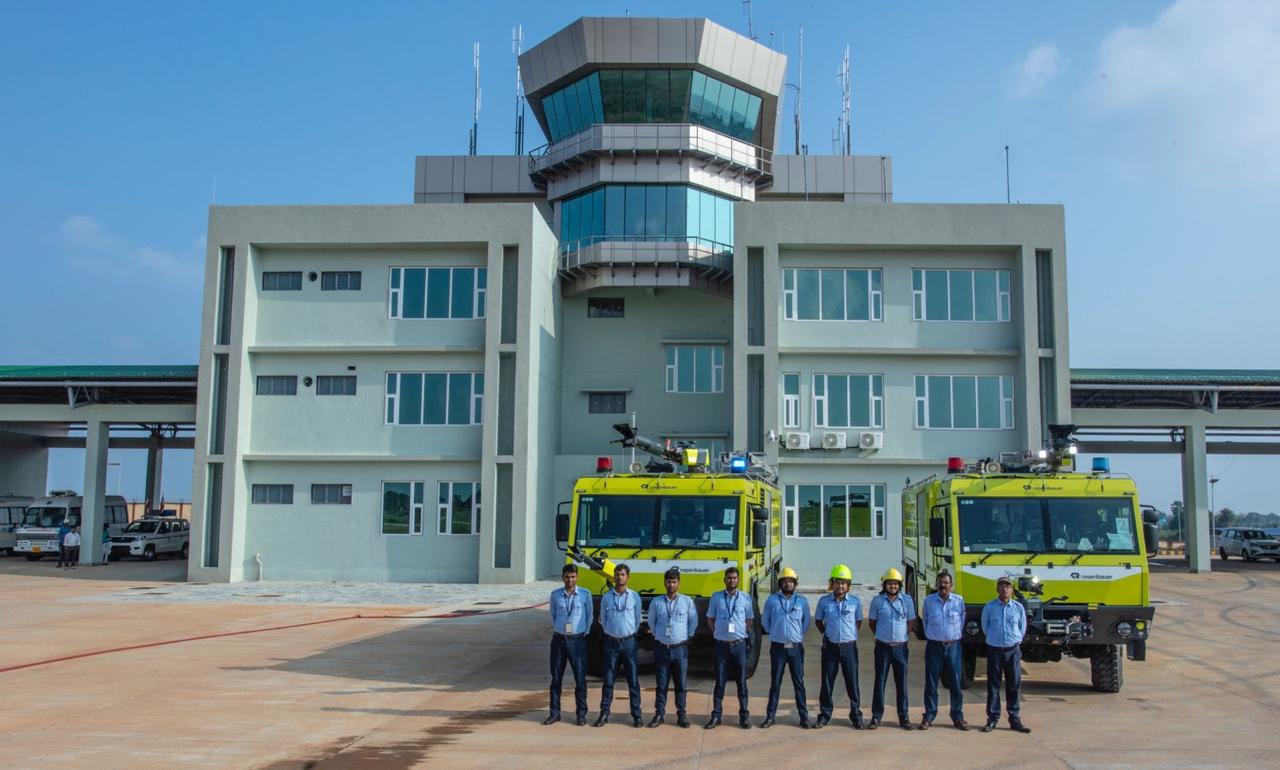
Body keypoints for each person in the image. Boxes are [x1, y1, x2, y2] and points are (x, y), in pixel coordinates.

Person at [813, 563, 864, 729]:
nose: (840, 586)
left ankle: (856, 715)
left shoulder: (855, 602)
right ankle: (824, 715)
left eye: (843, 583)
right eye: (837, 582)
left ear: (848, 585)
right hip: (830, 648)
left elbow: (858, 622)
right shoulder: (824, 602)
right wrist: (829, 634)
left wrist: (848, 635)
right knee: (827, 682)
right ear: (832, 584)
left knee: (852, 682)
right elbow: (818, 622)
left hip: (849, 648)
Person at [760, 566, 811, 728]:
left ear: (795, 584)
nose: (788, 584)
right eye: (785, 581)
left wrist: (796, 635)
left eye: (791, 581)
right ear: (780, 583)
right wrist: (776, 633)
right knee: (775, 683)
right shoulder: (772, 600)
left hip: (796, 648)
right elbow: (765, 621)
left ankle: (804, 717)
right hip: (778, 648)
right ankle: (770, 716)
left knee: (799, 683)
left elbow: (806, 622)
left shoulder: (802, 601)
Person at [646, 567, 697, 728]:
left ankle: (681, 715)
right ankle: (659, 714)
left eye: (674, 582)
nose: (671, 585)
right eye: (668, 582)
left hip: (680, 649)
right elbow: (651, 622)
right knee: (661, 685)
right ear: (664, 583)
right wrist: (659, 636)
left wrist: (687, 636)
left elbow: (693, 621)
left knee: (680, 684)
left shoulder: (687, 601)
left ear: (679, 583)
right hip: (662, 649)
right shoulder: (657, 602)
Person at [867, 567, 916, 730]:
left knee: (901, 683)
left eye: (895, 584)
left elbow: (911, 621)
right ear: (884, 585)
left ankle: (904, 717)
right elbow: (872, 623)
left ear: (899, 585)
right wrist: (883, 636)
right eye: (889, 583)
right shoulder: (877, 601)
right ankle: (876, 716)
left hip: (901, 648)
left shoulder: (907, 600)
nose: (892, 586)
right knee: (879, 682)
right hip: (882, 648)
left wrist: (902, 636)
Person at [981, 575, 1031, 734]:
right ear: (997, 589)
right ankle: (992, 718)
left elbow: (1022, 628)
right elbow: (985, 627)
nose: (1005, 589)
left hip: (1012, 651)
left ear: (1012, 590)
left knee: (1014, 684)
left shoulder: (1018, 608)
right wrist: (995, 640)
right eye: (1001, 586)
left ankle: (1014, 718)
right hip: (994, 650)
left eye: (1008, 586)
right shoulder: (989, 607)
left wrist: (1014, 641)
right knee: (993, 685)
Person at [705, 566, 753, 729]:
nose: (732, 580)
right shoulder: (716, 598)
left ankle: (744, 716)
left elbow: (749, 620)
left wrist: (739, 634)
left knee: (741, 682)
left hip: (739, 645)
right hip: (721, 646)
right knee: (720, 682)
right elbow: (710, 618)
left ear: (738, 580)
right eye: (729, 578)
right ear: (724, 579)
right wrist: (718, 633)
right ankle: (716, 716)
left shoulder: (746, 598)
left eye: (734, 578)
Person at [545, 563, 593, 726]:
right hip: (559, 641)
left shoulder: (585, 595)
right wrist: (561, 630)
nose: (570, 580)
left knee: (580, 679)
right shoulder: (555, 595)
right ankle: (554, 713)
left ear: (577, 577)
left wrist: (582, 632)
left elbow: (589, 617)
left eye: (573, 577)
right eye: (567, 577)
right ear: (562, 577)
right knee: (556, 679)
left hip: (577, 641)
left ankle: (581, 714)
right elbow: (553, 615)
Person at [596, 563, 643, 727]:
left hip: (629, 643)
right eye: (617, 574)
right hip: (611, 644)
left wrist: (627, 633)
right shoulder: (606, 597)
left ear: (627, 577)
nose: (619, 577)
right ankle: (604, 713)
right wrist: (612, 633)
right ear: (613, 576)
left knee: (633, 681)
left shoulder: (635, 597)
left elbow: (637, 619)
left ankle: (637, 714)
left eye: (622, 574)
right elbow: (603, 619)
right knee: (608, 680)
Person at [920, 571, 968, 730]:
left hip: (953, 646)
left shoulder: (959, 601)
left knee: (955, 683)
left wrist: (951, 637)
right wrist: (937, 636)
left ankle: (957, 716)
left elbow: (961, 621)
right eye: (940, 582)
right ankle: (929, 715)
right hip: (934, 646)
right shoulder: (928, 601)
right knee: (931, 683)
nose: (943, 585)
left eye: (946, 583)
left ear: (951, 585)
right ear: (936, 584)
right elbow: (925, 622)